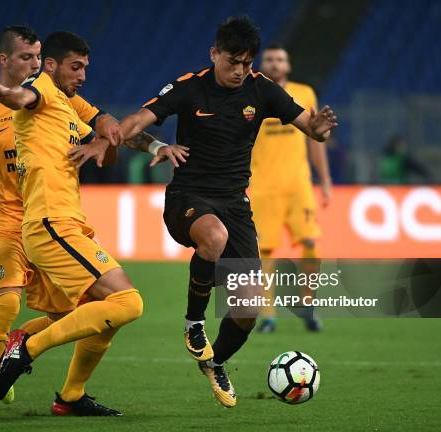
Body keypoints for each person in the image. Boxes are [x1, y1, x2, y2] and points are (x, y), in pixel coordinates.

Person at [117, 17, 337, 407]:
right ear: (214, 54)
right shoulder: (189, 88)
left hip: (236, 204)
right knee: (213, 237)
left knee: (248, 309)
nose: (240, 71)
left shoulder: (261, 90)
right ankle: (194, 324)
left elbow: (311, 128)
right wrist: (148, 144)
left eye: (247, 64)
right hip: (188, 198)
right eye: (232, 61)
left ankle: (215, 362)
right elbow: (135, 124)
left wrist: (318, 129)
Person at [0, 26, 126, 418]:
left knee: (69, 318)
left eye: (38, 57)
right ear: (4, 60)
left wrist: (104, 139)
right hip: (9, 224)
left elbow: (102, 124)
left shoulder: (60, 98)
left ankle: (18, 346)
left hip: (49, 222)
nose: (34, 64)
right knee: (6, 304)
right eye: (26, 57)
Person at [0, 31, 147, 416]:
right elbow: (23, 96)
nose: (83, 74)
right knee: (129, 302)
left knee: (98, 315)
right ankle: (26, 349)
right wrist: (4, 94)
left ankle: (69, 396)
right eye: (76, 67)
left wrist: (106, 141)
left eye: (86, 67)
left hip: (66, 221)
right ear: (51, 65)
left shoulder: (68, 109)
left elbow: (109, 153)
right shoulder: (41, 89)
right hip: (51, 222)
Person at [249, 44, 333, 333]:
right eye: (270, 59)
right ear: (262, 64)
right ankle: (268, 315)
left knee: (311, 243)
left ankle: (307, 305)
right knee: (264, 252)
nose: (275, 63)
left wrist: (325, 181)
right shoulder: (250, 92)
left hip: (299, 185)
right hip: (262, 186)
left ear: (288, 65)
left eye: (280, 59)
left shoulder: (305, 92)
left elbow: (315, 140)